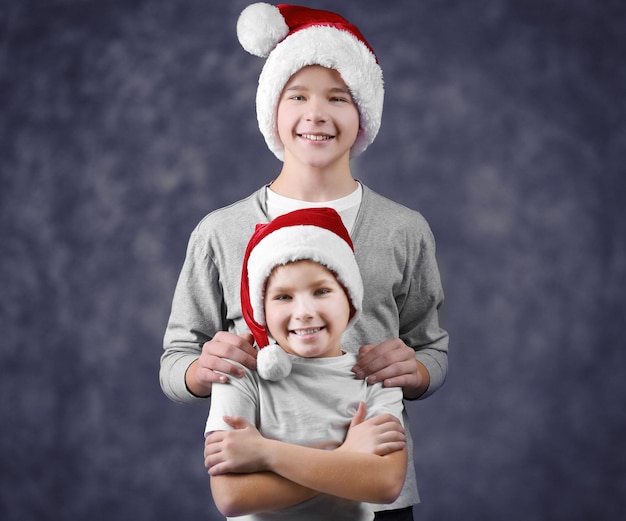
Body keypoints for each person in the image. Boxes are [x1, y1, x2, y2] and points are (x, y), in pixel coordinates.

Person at [160, 4, 449, 519]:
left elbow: (432, 349)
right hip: (267, 499)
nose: (316, 114)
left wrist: (420, 370)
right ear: (272, 109)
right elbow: (176, 358)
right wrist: (200, 372)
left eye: (338, 97)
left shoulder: (404, 230)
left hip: (379, 496)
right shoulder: (219, 232)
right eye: (298, 96)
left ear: (364, 113)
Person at [204, 207, 408, 520]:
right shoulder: (239, 374)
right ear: (262, 310)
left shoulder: (374, 375)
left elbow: (385, 484)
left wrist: (265, 452)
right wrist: (348, 459)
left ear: (350, 299)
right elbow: (233, 497)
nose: (304, 312)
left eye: (322, 291)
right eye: (283, 297)